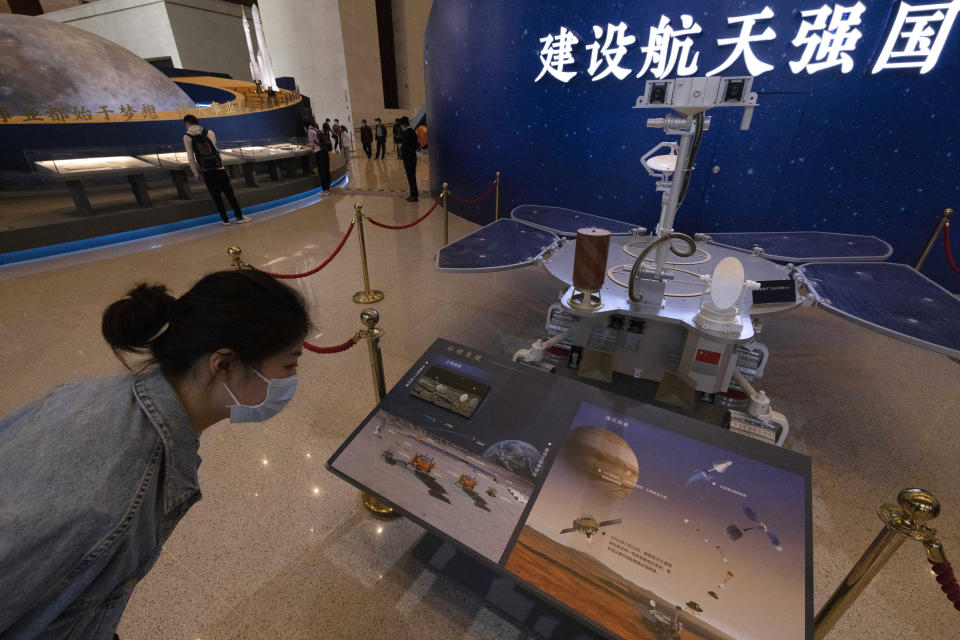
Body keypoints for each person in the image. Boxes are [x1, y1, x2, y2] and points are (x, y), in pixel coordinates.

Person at [0, 270, 310, 639]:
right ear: (224, 364)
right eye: (289, 364)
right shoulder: (116, 494)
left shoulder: (89, 395)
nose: (292, 378)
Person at [182, 114, 246, 225]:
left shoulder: (187, 137)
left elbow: (191, 157)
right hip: (219, 167)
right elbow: (215, 148)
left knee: (216, 196)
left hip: (206, 170)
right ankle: (239, 217)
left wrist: (196, 173)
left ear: (187, 123)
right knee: (229, 193)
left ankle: (225, 220)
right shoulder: (209, 132)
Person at [304, 120, 332, 192]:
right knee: (326, 169)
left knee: (321, 171)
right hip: (324, 151)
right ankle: (328, 186)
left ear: (305, 126)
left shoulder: (310, 131)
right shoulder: (316, 129)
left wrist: (310, 148)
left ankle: (324, 188)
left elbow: (312, 143)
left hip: (319, 153)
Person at [398, 116, 419, 202]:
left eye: (401, 125)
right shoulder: (411, 131)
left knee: (411, 177)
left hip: (409, 158)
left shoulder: (408, 132)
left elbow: (407, 146)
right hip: (411, 157)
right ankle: (414, 194)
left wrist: (402, 148)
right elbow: (415, 144)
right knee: (411, 177)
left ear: (404, 124)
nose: (400, 127)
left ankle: (414, 195)